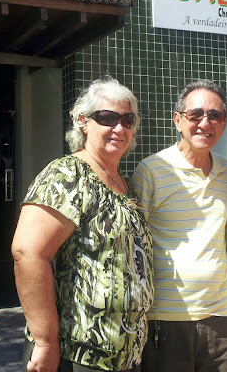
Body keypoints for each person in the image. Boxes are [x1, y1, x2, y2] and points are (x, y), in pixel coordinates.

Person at [11, 77, 153, 372]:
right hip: (78, 354)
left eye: (127, 120)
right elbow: (28, 253)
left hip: (124, 356)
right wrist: (45, 341)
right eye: (107, 118)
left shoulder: (124, 185)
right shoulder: (68, 174)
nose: (119, 128)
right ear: (83, 122)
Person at [131, 79, 227, 372]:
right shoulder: (151, 170)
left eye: (215, 115)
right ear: (178, 120)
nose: (205, 123)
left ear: (224, 122)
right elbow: (134, 245)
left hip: (223, 316)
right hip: (167, 317)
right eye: (196, 114)